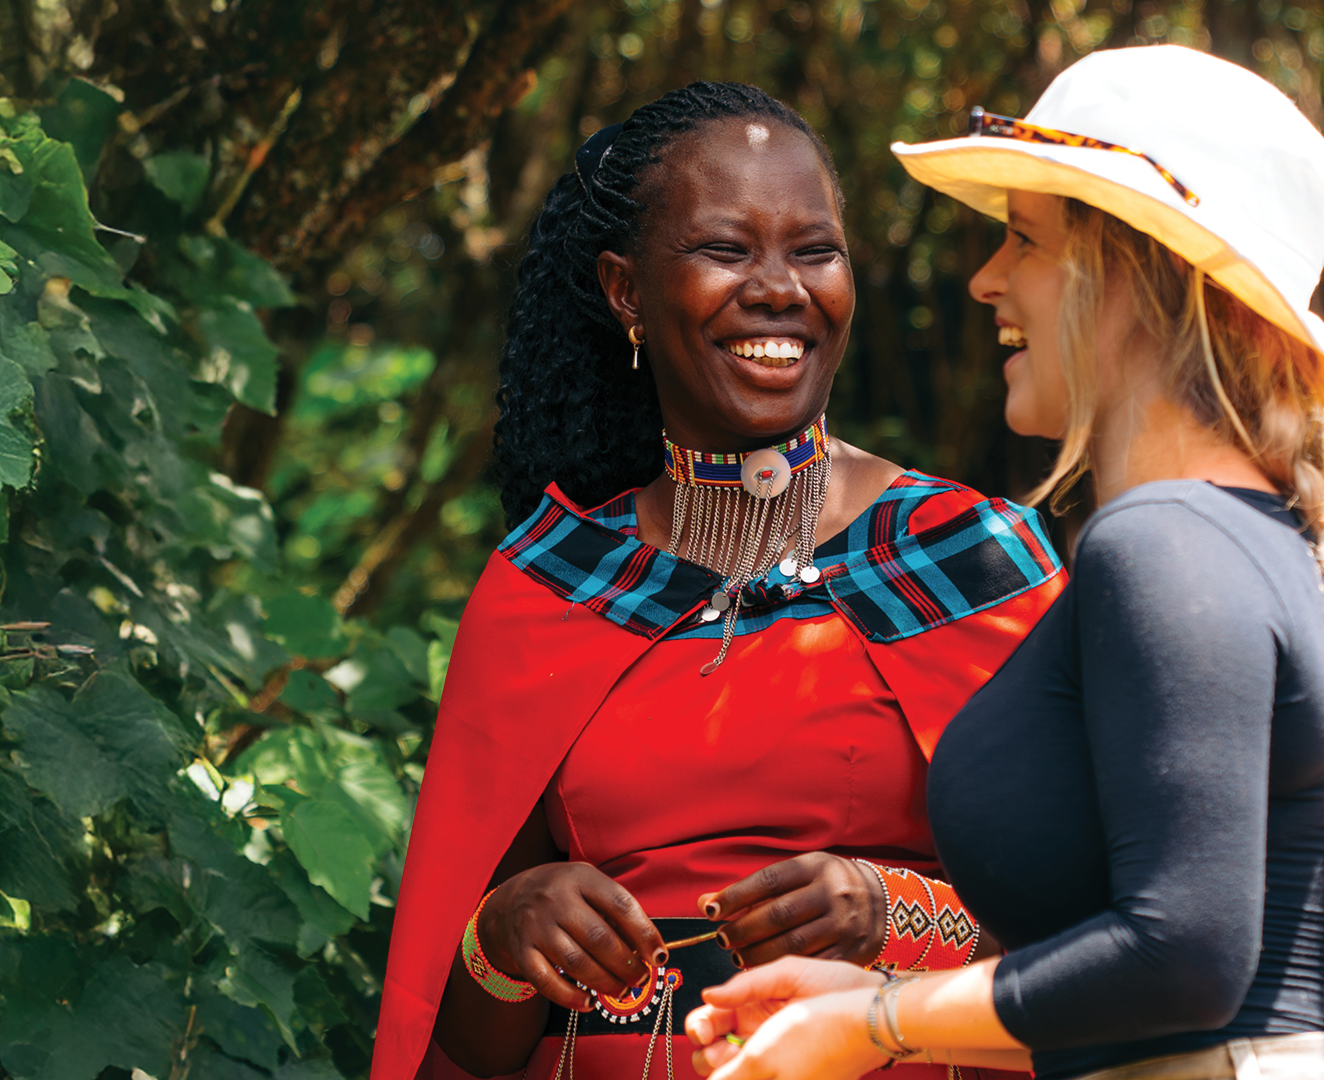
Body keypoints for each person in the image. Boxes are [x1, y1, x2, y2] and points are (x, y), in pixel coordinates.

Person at [370, 83, 1066, 1080]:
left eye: (814, 251)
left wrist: (900, 914)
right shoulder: (550, 584)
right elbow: (466, 1047)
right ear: (625, 291)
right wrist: (504, 933)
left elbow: (1109, 947)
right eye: (725, 249)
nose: (780, 288)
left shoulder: (971, 561)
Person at [684, 44, 1324, 1080]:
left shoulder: (1165, 540)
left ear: (1133, 274)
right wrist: (869, 1004)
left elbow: (1184, 959)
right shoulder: (1244, 535)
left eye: (1024, 239)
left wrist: (874, 1023)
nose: (986, 278)